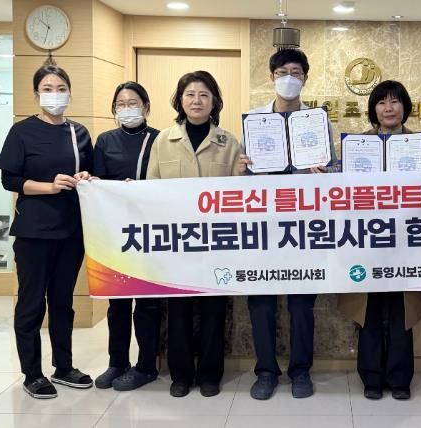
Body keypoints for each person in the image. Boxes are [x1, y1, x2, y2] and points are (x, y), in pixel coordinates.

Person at [236, 48, 335, 400]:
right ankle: (265, 371)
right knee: (261, 302)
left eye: (295, 72)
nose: (288, 78)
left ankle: (300, 371)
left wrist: (325, 172)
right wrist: (240, 169)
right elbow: (243, 179)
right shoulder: (254, 121)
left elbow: (332, 174)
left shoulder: (318, 122)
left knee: (301, 304)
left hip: (303, 227)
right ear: (271, 77)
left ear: (305, 78)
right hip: (263, 228)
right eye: (282, 72)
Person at [0, 65, 95, 399]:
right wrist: (48, 187)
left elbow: (90, 172)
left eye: (61, 87)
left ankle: (64, 367)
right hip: (34, 232)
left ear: (70, 92)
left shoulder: (79, 133)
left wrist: (85, 177)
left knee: (63, 302)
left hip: (71, 231)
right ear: (36, 93)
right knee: (31, 303)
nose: (55, 94)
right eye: (48, 88)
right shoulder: (22, 132)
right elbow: (9, 180)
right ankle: (33, 373)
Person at [146, 70, 242, 398]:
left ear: (214, 102)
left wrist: (243, 174)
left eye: (204, 95)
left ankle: (211, 374)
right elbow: (151, 190)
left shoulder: (229, 143)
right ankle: (181, 375)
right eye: (190, 94)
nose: (197, 101)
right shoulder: (163, 141)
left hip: (216, 242)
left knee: (215, 310)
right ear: (180, 100)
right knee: (179, 311)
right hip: (177, 243)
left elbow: (241, 196)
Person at [337, 80, 421, 401]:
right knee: (369, 311)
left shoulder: (418, 145)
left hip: (405, 242)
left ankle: (400, 378)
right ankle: (371, 378)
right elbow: (341, 190)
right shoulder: (357, 145)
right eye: (381, 102)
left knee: (400, 311)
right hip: (366, 242)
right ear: (373, 109)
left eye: (395, 101)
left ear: (405, 107)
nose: (388, 108)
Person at [92, 81, 161, 391]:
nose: (127, 108)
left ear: (146, 107)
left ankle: (146, 365)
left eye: (133, 103)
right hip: (114, 232)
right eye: (121, 104)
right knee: (117, 304)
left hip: (149, 232)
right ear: (114, 109)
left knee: (146, 305)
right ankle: (116, 362)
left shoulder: (159, 140)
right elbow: (97, 182)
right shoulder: (105, 141)